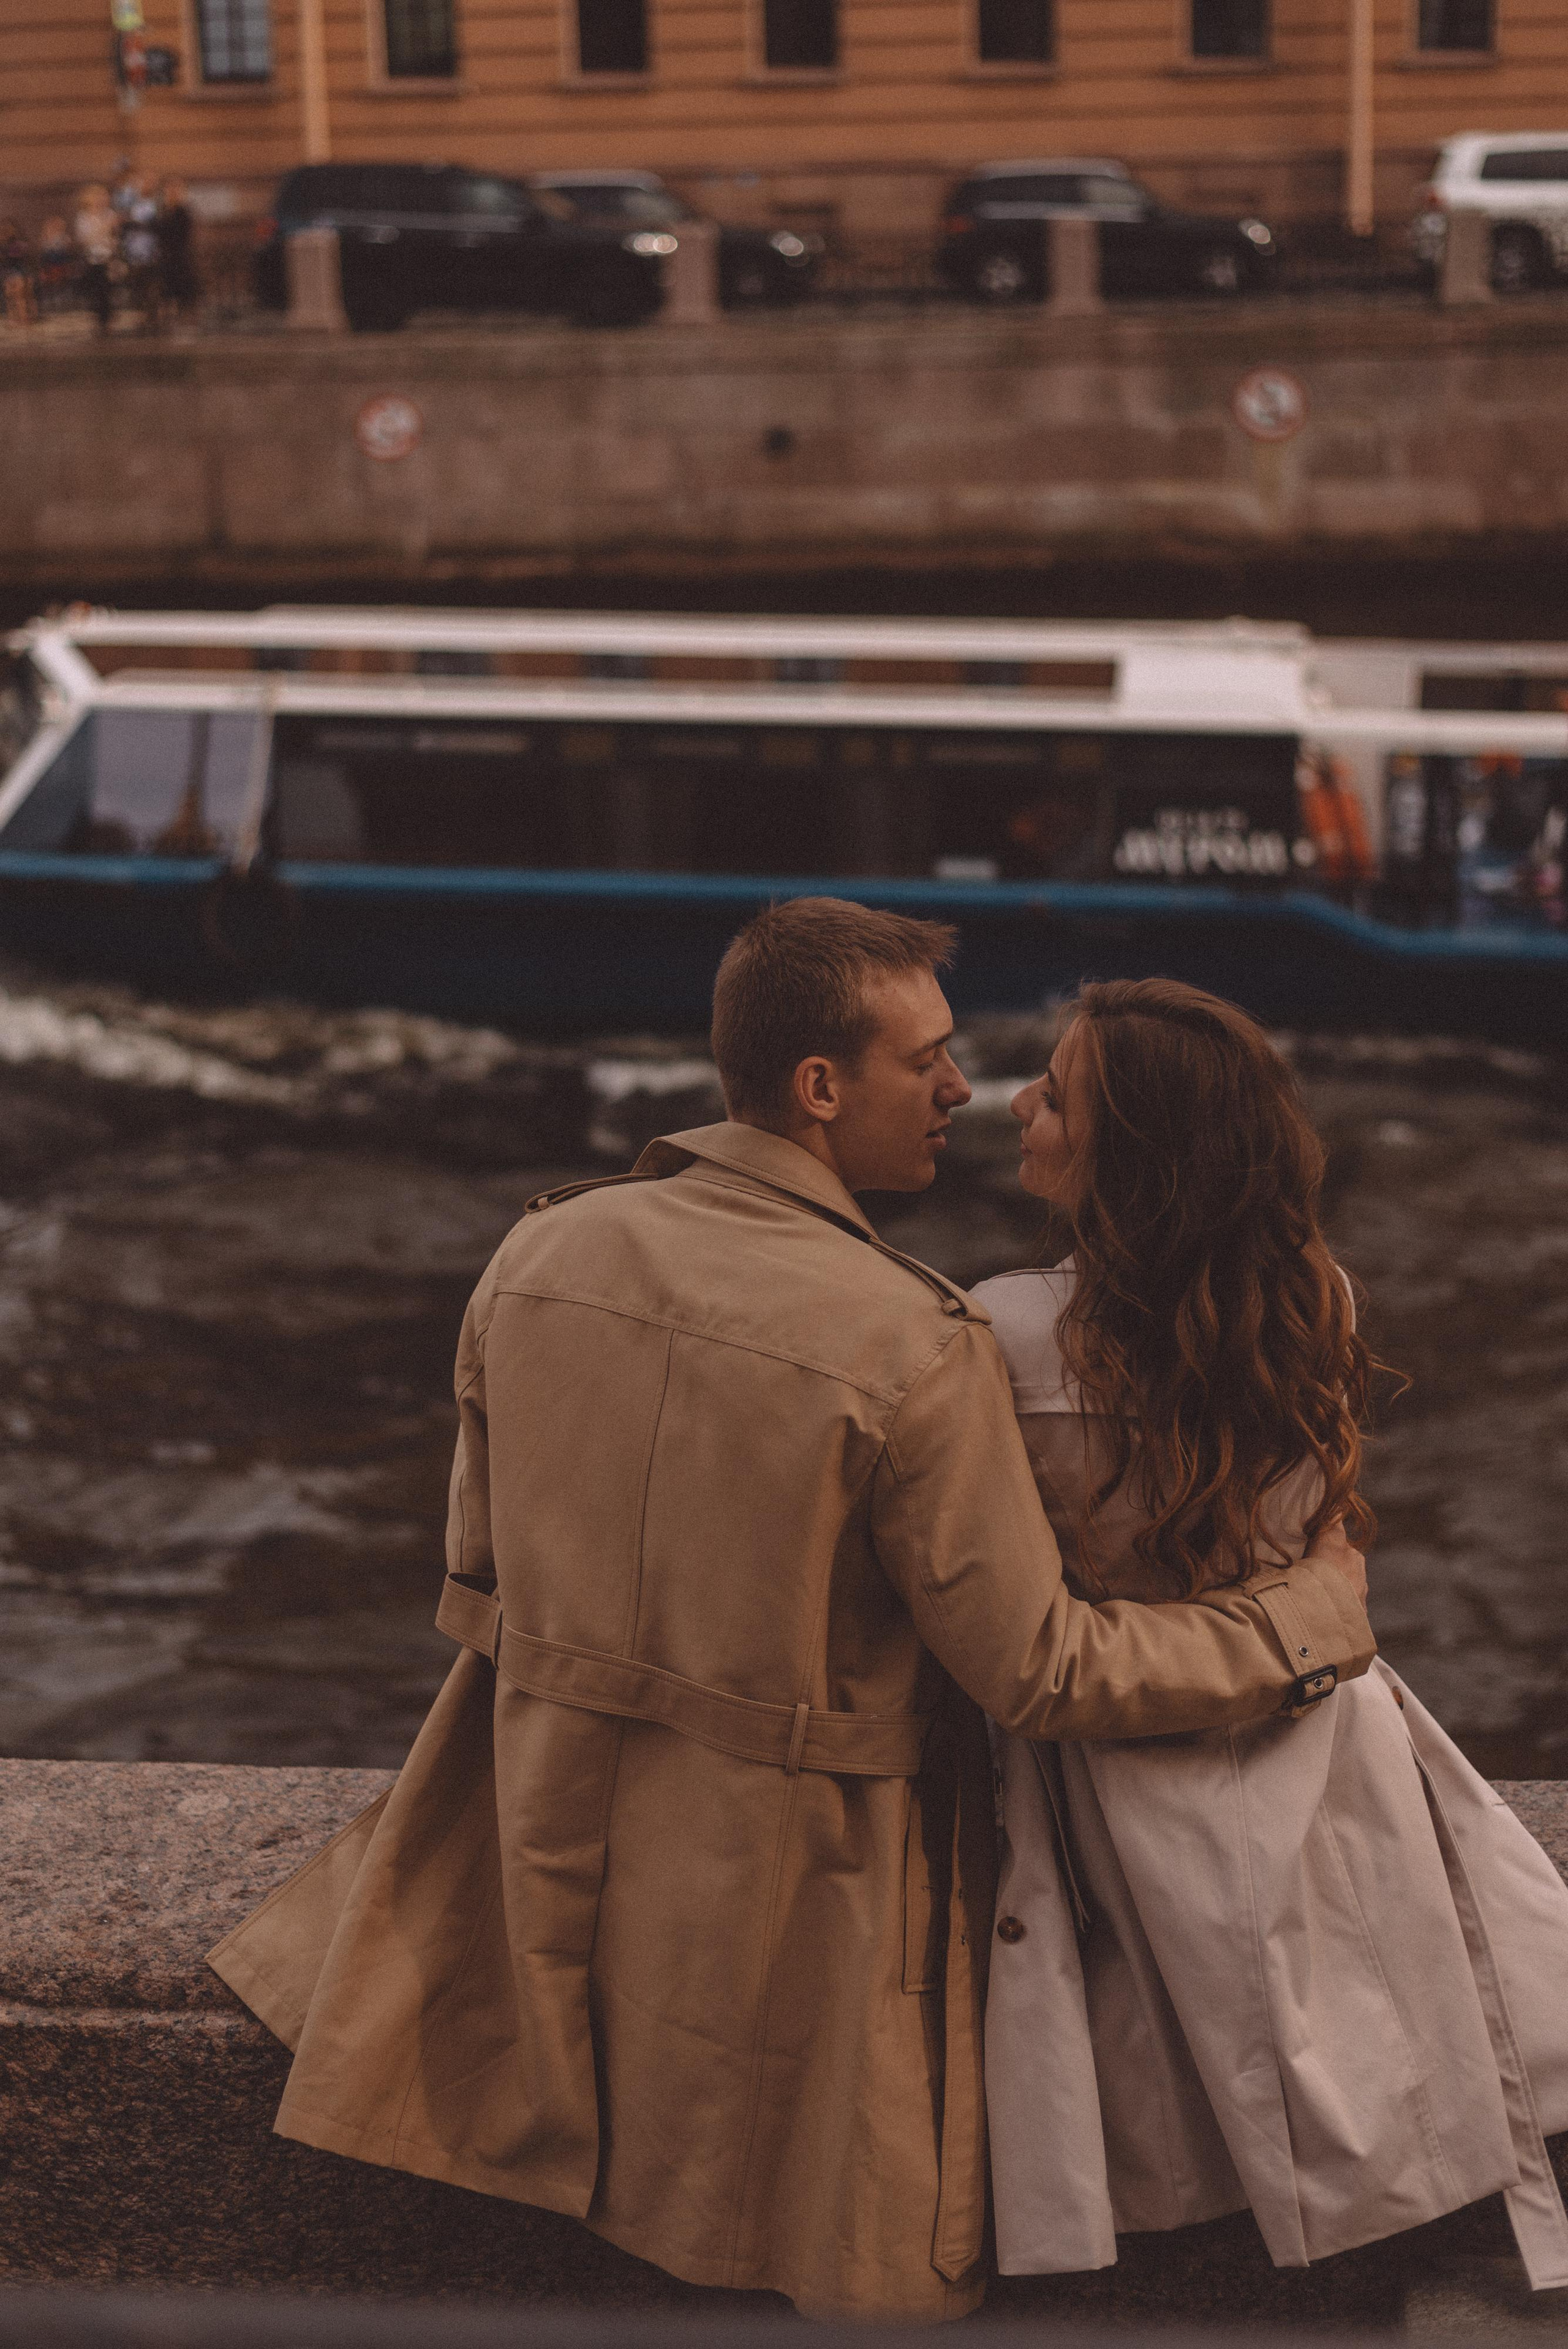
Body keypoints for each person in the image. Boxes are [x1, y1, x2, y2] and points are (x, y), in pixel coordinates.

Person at [208, 900, 1373, 2323]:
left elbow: (480, 1560)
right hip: (790, 1927)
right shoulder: (913, 1341)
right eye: (925, 1061)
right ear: (820, 1085)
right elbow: (1043, 1670)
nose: (963, 1090)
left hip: (531, 1864)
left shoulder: (541, 1250)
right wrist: (1300, 1620)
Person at [978, 977, 1568, 2293]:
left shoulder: (998, 1334)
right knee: (1375, 2021)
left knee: (1166, 2097)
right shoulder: (1312, 1302)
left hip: (1111, 1759)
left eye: (1054, 1097)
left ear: (1126, 1151)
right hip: (1314, 1727)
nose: (1016, 1105)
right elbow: (1320, 1551)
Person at [72, 185, 119, 334]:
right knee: (95, 291)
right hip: (91, 258)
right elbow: (85, 239)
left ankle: (106, 322)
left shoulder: (110, 214)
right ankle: (99, 320)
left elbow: (115, 236)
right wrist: (104, 229)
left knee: (106, 291)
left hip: (108, 258)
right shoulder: (83, 217)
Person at [155, 177, 200, 320]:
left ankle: (185, 311)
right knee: (166, 284)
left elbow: (181, 232)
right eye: (170, 190)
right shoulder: (162, 210)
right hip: (165, 253)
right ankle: (167, 311)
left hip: (180, 253)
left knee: (182, 283)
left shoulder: (184, 211)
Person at [0, 220, 36, 328]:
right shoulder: (5, 246)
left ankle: (24, 318)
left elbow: (18, 261)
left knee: (19, 297)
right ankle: (16, 319)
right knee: (12, 296)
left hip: (20, 274)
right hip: (12, 274)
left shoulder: (18, 245)